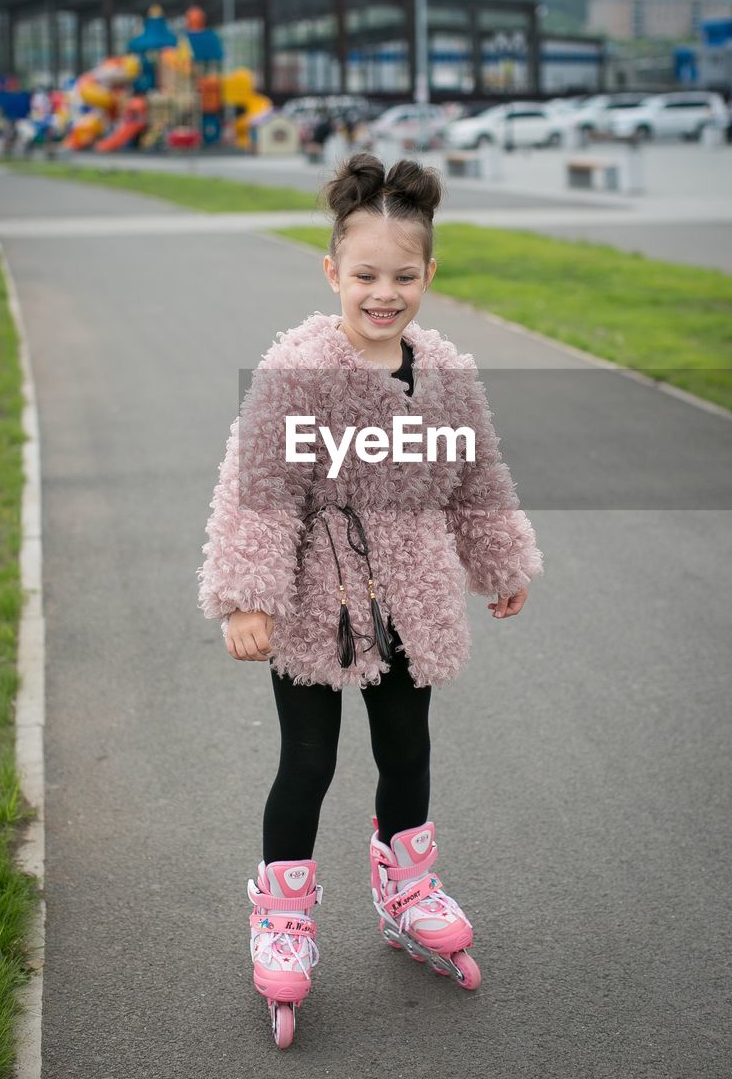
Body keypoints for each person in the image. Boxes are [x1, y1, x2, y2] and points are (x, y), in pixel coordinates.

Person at [197, 152, 544, 1046]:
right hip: (317, 603)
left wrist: (499, 560)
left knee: (407, 750)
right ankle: (282, 912)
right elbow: (256, 485)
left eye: (401, 276)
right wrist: (246, 595)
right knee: (307, 761)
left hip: (412, 600)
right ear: (332, 274)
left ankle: (407, 888)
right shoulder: (300, 372)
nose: (382, 294)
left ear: (428, 273)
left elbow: (476, 480)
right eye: (364, 276)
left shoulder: (446, 375)